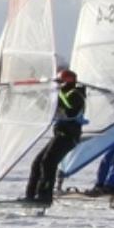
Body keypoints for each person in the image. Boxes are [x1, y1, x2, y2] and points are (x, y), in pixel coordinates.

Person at [23, 67, 86, 205]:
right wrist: (34, 95)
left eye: (60, 81)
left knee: (48, 162)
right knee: (37, 163)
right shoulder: (63, 93)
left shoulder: (76, 94)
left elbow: (70, 112)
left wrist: (56, 95)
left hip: (69, 136)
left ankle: (44, 197)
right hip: (61, 134)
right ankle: (30, 196)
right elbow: (50, 108)